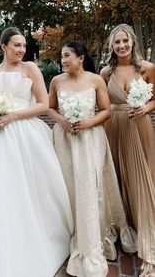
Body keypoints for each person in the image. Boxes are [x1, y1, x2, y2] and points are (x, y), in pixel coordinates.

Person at [0, 27, 74, 277]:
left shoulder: (30, 68)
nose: (21, 50)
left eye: (24, 46)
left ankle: (37, 234)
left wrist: (13, 115)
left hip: (26, 134)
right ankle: (3, 240)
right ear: (3, 47)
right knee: (0, 188)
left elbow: (43, 104)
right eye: (16, 45)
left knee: (29, 185)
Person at [48, 41, 137, 277]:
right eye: (61, 57)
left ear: (80, 57)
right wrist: (61, 120)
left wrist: (87, 122)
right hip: (64, 141)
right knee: (67, 185)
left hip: (90, 140)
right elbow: (50, 109)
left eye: (67, 55)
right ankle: (68, 231)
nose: (63, 60)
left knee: (90, 185)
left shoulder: (96, 80)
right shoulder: (56, 81)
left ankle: (92, 233)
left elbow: (106, 111)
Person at [100, 23, 155, 277]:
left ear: (133, 42)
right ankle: (125, 227)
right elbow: (101, 104)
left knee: (140, 178)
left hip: (138, 126)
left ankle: (147, 238)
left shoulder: (147, 69)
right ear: (111, 45)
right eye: (116, 42)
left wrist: (147, 108)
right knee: (117, 176)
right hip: (113, 128)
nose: (121, 46)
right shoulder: (105, 72)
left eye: (125, 41)